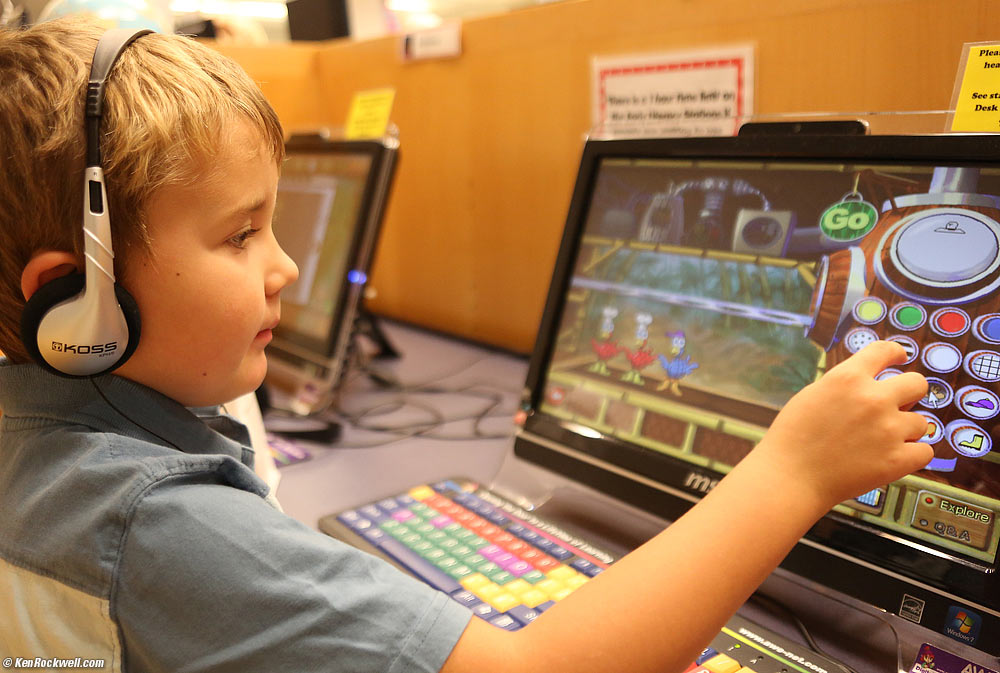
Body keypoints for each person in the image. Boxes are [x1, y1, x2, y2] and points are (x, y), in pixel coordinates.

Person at [0, 17, 932, 673]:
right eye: (241, 235)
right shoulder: (155, 523)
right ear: (74, 292)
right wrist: (795, 472)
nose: (284, 267)